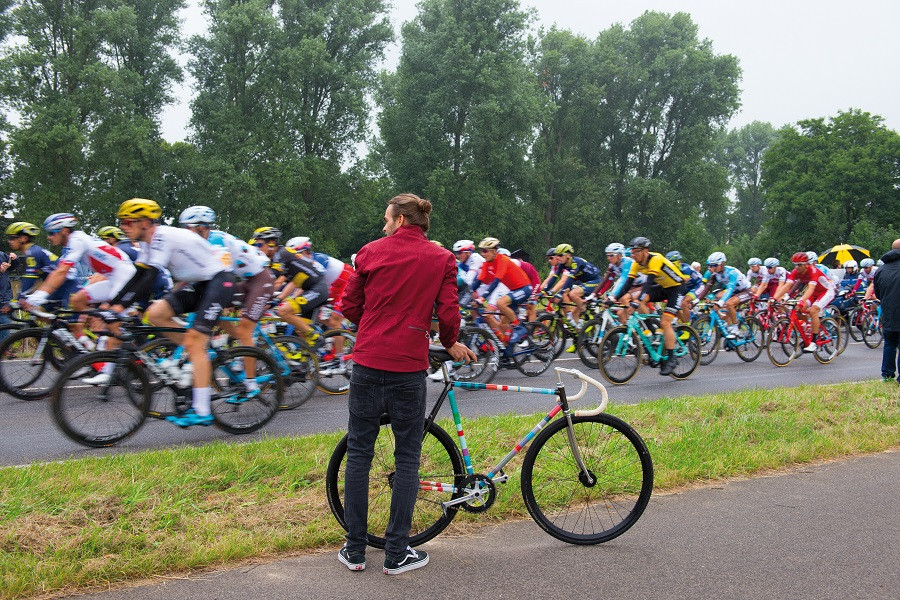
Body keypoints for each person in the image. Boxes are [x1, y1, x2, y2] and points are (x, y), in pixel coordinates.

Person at [338, 193, 475, 575]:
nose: (383, 225)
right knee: (407, 458)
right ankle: (397, 553)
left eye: (386, 219)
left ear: (399, 219)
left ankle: (354, 550)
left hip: (367, 361)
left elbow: (348, 306)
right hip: (408, 368)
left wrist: (375, 321)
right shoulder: (442, 258)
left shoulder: (369, 252)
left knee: (360, 454)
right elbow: (449, 311)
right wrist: (449, 341)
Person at [106, 198, 234, 427]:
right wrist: (112, 305)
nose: (123, 226)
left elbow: (149, 278)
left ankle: (203, 410)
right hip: (198, 284)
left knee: (195, 343)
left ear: (144, 222)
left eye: (127, 221)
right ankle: (197, 353)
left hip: (219, 282)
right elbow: (137, 276)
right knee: (155, 314)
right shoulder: (147, 243)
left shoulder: (163, 236)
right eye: (122, 222)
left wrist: (119, 307)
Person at [873, 239, 900, 383]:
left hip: (888, 313)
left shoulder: (880, 270)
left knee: (889, 344)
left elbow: (878, 294)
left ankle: (887, 375)